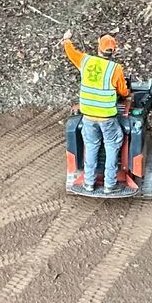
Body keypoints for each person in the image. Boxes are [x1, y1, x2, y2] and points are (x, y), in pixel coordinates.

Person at [62, 31, 130, 191]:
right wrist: (126, 94)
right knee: (112, 144)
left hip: (88, 117)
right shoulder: (115, 69)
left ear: (98, 48)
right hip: (107, 118)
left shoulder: (85, 61)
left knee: (91, 145)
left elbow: (71, 53)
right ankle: (110, 184)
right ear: (114, 51)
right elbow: (123, 91)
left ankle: (89, 183)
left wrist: (66, 40)